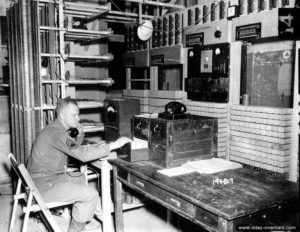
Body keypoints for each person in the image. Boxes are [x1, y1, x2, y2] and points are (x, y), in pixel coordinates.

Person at [27, 97, 131, 232]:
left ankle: (81, 215)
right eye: (74, 115)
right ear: (62, 116)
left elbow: (72, 147)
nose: (78, 118)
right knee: (91, 195)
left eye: (78, 114)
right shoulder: (57, 133)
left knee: (80, 178)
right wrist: (113, 145)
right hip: (43, 186)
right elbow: (82, 155)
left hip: (40, 179)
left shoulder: (55, 130)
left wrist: (80, 135)